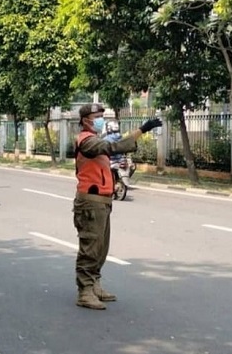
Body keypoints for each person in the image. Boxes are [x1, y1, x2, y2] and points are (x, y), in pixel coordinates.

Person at [72, 103, 161, 310]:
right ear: (86, 120)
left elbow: (112, 146)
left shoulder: (96, 140)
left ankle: (94, 285)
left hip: (102, 202)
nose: (102, 119)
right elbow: (113, 147)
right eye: (98, 116)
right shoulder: (86, 141)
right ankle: (84, 292)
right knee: (90, 248)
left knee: (101, 248)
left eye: (103, 115)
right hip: (90, 202)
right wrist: (142, 130)